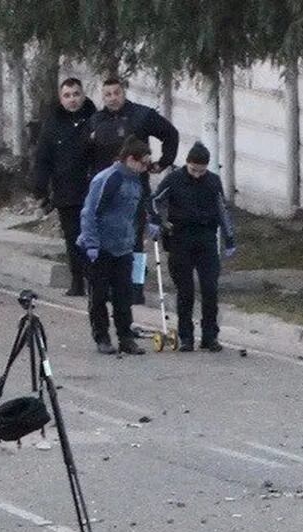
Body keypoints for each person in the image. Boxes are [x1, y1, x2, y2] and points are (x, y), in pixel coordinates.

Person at [87, 77, 179, 305]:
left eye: (116, 93)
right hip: (107, 189)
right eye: (107, 94)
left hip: (135, 188)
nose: (112, 98)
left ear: (123, 93)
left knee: (135, 241)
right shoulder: (96, 120)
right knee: (108, 238)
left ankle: (135, 287)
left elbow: (170, 134)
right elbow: (86, 151)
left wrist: (163, 162)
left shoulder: (142, 115)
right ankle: (111, 286)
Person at [149, 142, 236, 352]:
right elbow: (155, 200)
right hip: (180, 238)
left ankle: (210, 336)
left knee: (210, 289)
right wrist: (155, 221)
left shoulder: (213, 182)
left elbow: (221, 209)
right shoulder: (174, 179)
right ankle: (186, 336)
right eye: (193, 170)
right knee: (185, 291)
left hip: (206, 239)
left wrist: (229, 238)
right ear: (187, 164)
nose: (197, 175)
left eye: (202, 171)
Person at [77, 137, 153, 356]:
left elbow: (133, 213)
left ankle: (126, 337)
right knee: (99, 295)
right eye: (143, 163)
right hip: (100, 247)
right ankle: (101, 336)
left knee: (123, 295)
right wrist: (91, 243)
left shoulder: (135, 180)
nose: (145, 168)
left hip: (123, 247)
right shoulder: (109, 179)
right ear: (131, 159)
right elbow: (90, 212)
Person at [33, 78, 97, 297]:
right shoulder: (52, 125)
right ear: (61, 99)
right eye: (67, 96)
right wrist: (40, 190)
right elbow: (43, 159)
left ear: (83, 94)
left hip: (93, 192)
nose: (72, 100)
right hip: (66, 192)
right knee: (73, 239)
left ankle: (96, 281)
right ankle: (77, 281)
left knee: (94, 237)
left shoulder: (95, 120)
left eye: (76, 94)